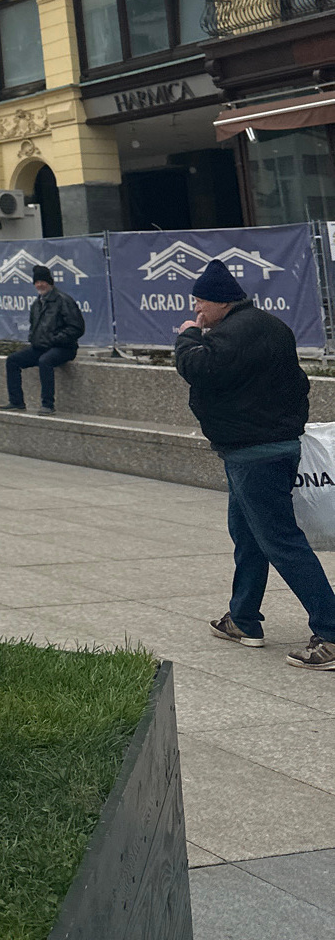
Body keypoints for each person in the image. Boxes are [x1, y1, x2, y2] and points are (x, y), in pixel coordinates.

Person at [174, 257, 335, 670]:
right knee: (247, 534)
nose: (197, 310)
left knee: (280, 540)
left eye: (200, 303)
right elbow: (297, 384)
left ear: (221, 301)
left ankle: (332, 632)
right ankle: (243, 618)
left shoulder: (229, 334)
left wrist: (188, 336)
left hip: (253, 453)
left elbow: (198, 369)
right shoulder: (272, 327)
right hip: (272, 446)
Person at [1, 266, 84, 414]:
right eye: (37, 282)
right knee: (12, 360)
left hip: (64, 348)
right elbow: (34, 327)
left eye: (42, 281)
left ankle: (48, 405)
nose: (39, 285)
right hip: (41, 347)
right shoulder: (36, 304)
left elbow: (77, 328)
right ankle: (16, 402)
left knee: (45, 361)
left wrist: (55, 339)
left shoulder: (63, 300)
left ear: (50, 282)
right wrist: (34, 339)